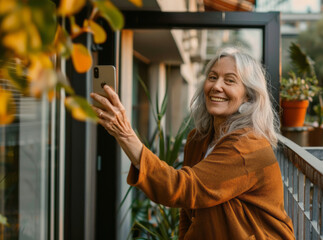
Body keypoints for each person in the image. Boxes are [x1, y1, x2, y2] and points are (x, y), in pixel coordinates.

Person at [90, 47, 295, 239]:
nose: (216, 86)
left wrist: (126, 135)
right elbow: (189, 211)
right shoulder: (198, 139)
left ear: (248, 97)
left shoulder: (248, 146)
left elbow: (183, 187)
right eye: (212, 77)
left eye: (230, 81)